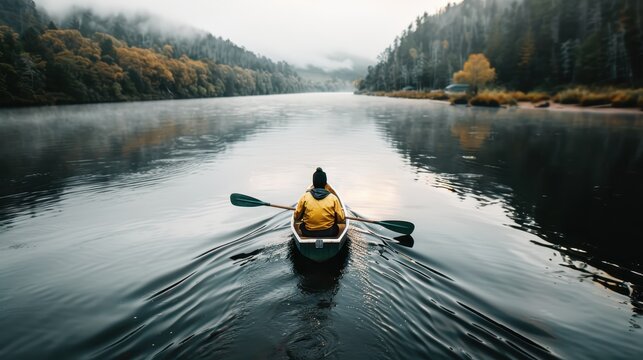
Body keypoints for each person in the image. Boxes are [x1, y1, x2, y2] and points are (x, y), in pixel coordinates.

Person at [294, 167, 346, 237]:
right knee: (340, 227)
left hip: (308, 232)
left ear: (314, 183)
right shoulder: (333, 198)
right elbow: (341, 219)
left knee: (300, 226)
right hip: (329, 232)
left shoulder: (305, 197)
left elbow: (296, 217)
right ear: (325, 183)